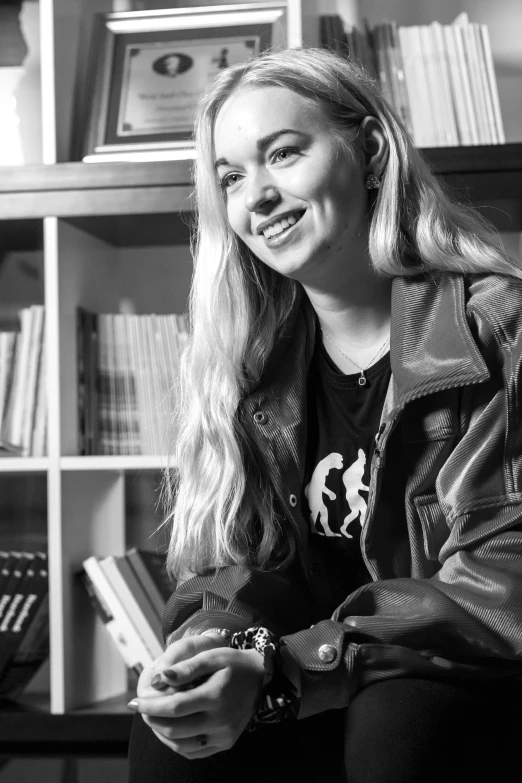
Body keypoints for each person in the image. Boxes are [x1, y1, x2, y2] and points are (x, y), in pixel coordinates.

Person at [127, 47, 522, 782]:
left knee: (398, 716)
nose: (259, 196)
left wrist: (288, 665)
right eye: (231, 178)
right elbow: (239, 564)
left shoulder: (501, 329)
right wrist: (216, 646)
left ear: (370, 151)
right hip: (303, 677)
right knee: (172, 736)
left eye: (283, 153)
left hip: (467, 678)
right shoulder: (249, 369)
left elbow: (504, 578)